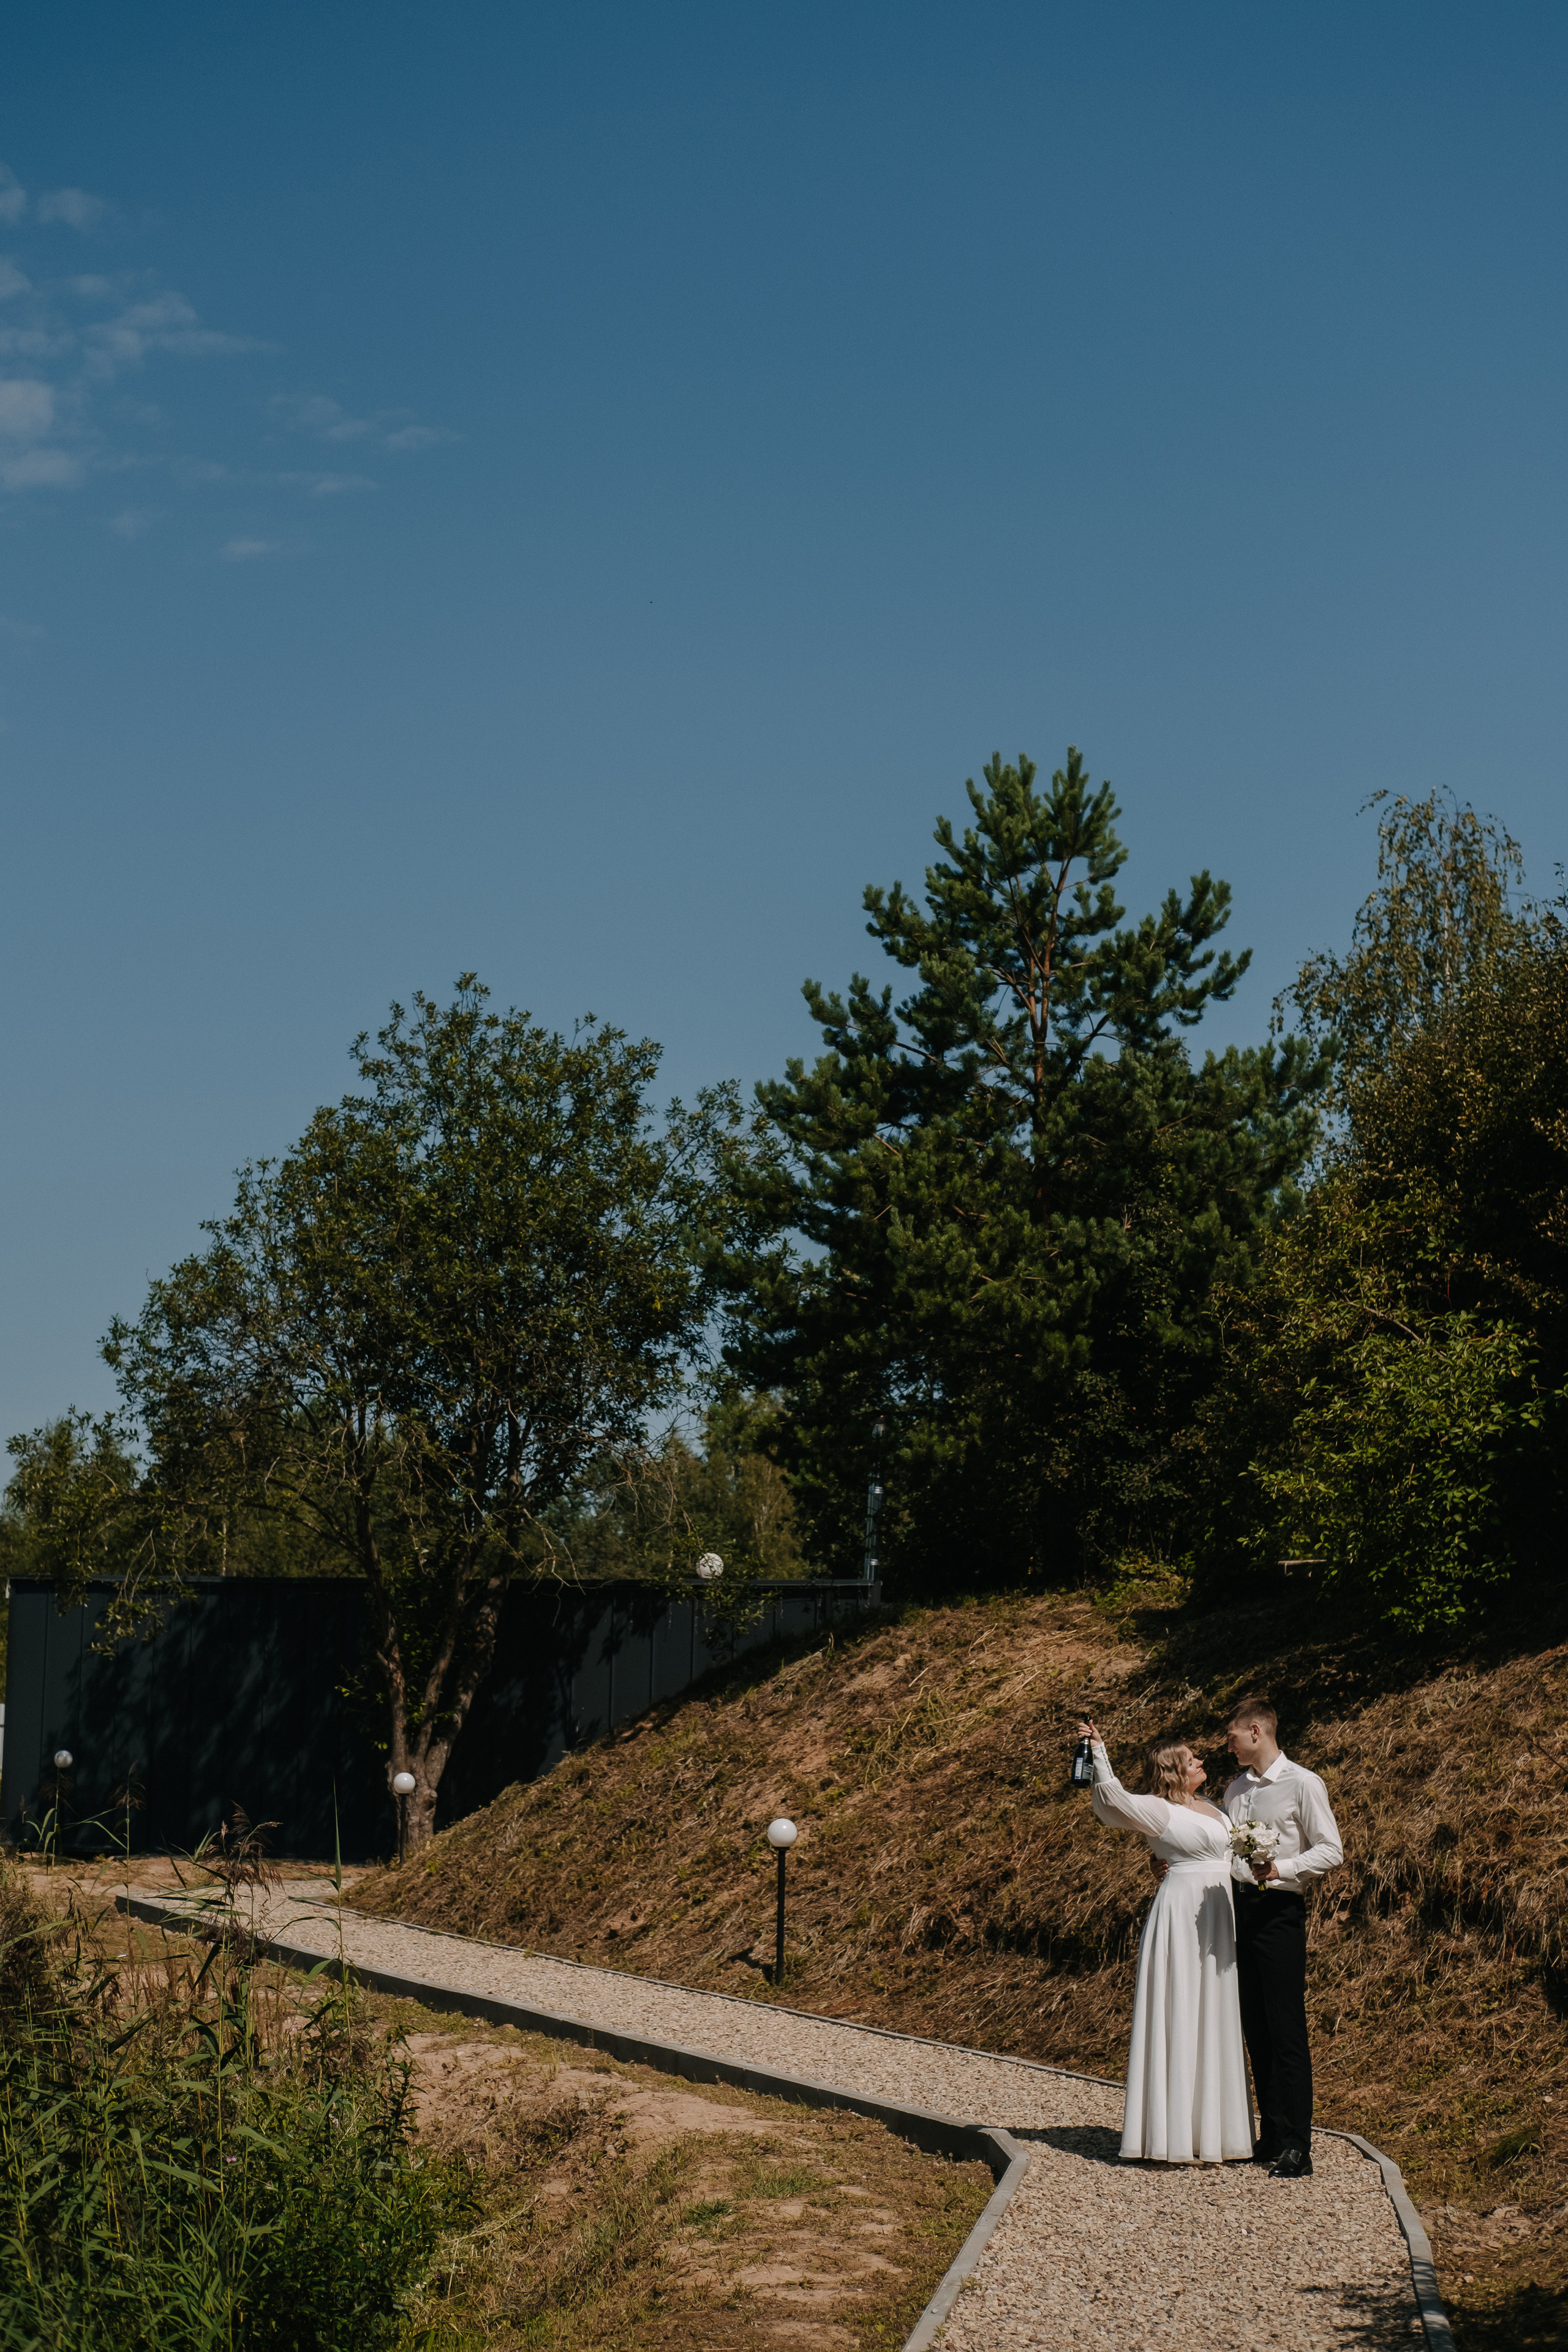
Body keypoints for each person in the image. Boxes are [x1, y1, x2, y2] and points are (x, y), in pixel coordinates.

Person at [1077, 1717, 1252, 2165]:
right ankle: (1169, 2134)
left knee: (1215, 2011)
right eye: (1192, 1759)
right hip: (1180, 1914)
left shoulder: (1213, 1806)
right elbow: (1112, 1799)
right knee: (1180, 2007)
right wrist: (1099, 1750)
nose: (1201, 1761)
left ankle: (1215, 2132)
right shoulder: (1158, 1809)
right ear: (1174, 1770)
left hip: (1220, 1911)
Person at [1221, 1695, 1343, 2179]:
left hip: (1279, 1913)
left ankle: (1298, 2144)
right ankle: (1270, 2133)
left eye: (1232, 1736)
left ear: (1256, 1731)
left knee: (1287, 2030)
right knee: (1255, 2027)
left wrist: (1282, 1868)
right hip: (1238, 1914)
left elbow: (1331, 1850)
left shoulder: (1303, 1783)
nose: (1228, 1745)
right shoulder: (1233, 1791)